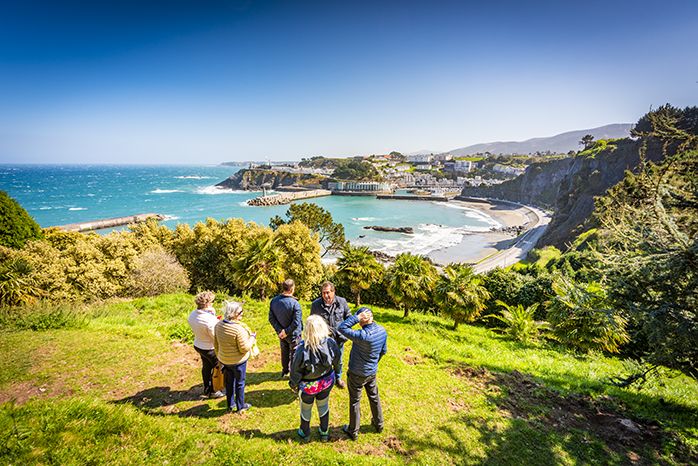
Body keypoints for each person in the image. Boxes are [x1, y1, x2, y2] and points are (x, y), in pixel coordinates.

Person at [338, 307, 387, 440]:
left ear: (362, 319)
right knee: (374, 397)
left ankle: (353, 431)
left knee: (355, 401)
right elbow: (383, 351)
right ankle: (379, 424)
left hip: (356, 374)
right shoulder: (382, 331)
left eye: (359, 318)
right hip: (371, 372)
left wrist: (356, 318)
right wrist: (373, 364)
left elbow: (342, 328)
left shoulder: (361, 336)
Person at [289, 315, 341, 442]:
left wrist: (293, 384)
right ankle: (324, 432)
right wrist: (338, 373)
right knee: (323, 405)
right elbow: (338, 361)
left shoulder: (302, 348)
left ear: (307, 329)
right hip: (326, 381)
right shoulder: (330, 343)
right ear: (323, 327)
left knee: (306, 408)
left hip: (308, 386)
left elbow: (295, 370)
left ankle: (305, 433)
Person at [214, 300, 256, 413]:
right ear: (233, 314)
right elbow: (244, 348)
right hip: (238, 361)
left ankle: (230, 404)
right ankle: (240, 406)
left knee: (229, 382)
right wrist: (252, 337)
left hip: (225, 360)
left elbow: (216, 343)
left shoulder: (218, 325)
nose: (242, 313)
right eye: (240, 312)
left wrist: (220, 357)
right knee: (240, 383)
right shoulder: (238, 329)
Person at [310, 281, 351, 389]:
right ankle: (325, 379)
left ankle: (338, 378)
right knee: (324, 360)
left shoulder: (342, 302)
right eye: (323, 293)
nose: (325, 295)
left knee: (338, 360)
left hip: (339, 339)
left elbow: (349, 318)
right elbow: (313, 322)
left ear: (333, 292)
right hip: (324, 340)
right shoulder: (316, 305)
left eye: (328, 292)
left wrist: (345, 332)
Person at [187, 291, 224, 398]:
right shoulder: (209, 321)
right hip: (210, 348)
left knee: (206, 367)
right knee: (217, 368)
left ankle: (206, 389)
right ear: (207, 304)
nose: (213, 304)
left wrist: (212, 315)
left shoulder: (193, 314)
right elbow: (216, 337)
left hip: (199, 344)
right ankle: (214, 391)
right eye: (212, 302)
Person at [268, 279, 303, 377]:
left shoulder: (274, 301)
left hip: (281, 334)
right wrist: (286, 331)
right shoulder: (295, 303)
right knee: (295, 353)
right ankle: (293, 373)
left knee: (284, 351)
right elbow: (296, 321)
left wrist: (280, 331)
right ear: (292, 288)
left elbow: (271, 318)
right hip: (293, 334)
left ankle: (285, 370)